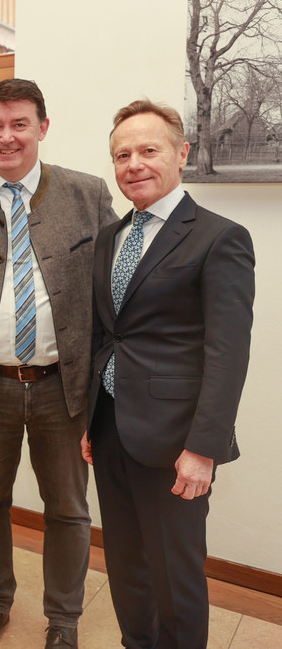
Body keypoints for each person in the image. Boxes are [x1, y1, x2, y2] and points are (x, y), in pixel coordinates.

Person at [0, 78, 117, 649]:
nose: (7, 136)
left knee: (67, 508)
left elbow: (115, 292)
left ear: (42, 128)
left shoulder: (87, 195)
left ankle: (63, 619)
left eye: (20, 124)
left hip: (62, 390)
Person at [84, 100, 254, 648]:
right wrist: (92, 419)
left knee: (176, 577)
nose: (134, 164)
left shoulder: (219, 238)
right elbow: (107, 335)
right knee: (127, 567)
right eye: (122, 155)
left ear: (182, 154)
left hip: (176, 442)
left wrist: (203, 448)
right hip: (111, 432)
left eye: (148, 150)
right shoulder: (110, 237)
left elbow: (229, 355)